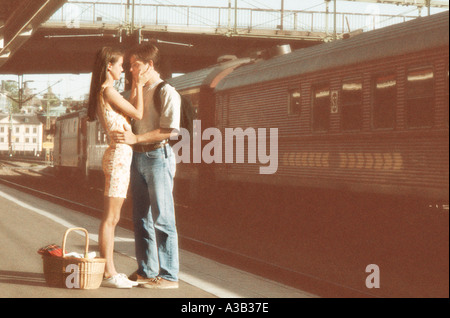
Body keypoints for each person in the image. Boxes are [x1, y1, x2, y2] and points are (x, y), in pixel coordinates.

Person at [111, 44, 181, 289]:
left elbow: (170, 131)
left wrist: (137, 139)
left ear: (149, 65)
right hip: (138, 158)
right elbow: (128, 115)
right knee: (140, 218)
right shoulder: (140, 89)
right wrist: (136, 87)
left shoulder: (167, 91)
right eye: (129, 66)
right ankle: (147, 271)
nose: (130, 70)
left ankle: (170, 275)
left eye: (135, 65)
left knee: (162, 218)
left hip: (157, 157)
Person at [87, 46, 150, 288]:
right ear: (109, 67)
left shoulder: (107, 92)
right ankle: (109, 272)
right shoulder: (109, 90)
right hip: (119, 157)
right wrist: (141, 85)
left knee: (112, 218)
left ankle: (109, 270)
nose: (123, 68)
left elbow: (129, 109)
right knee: (111, 218)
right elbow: (139, 113)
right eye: (120, 64)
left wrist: (136, 85)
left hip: (118, 155)